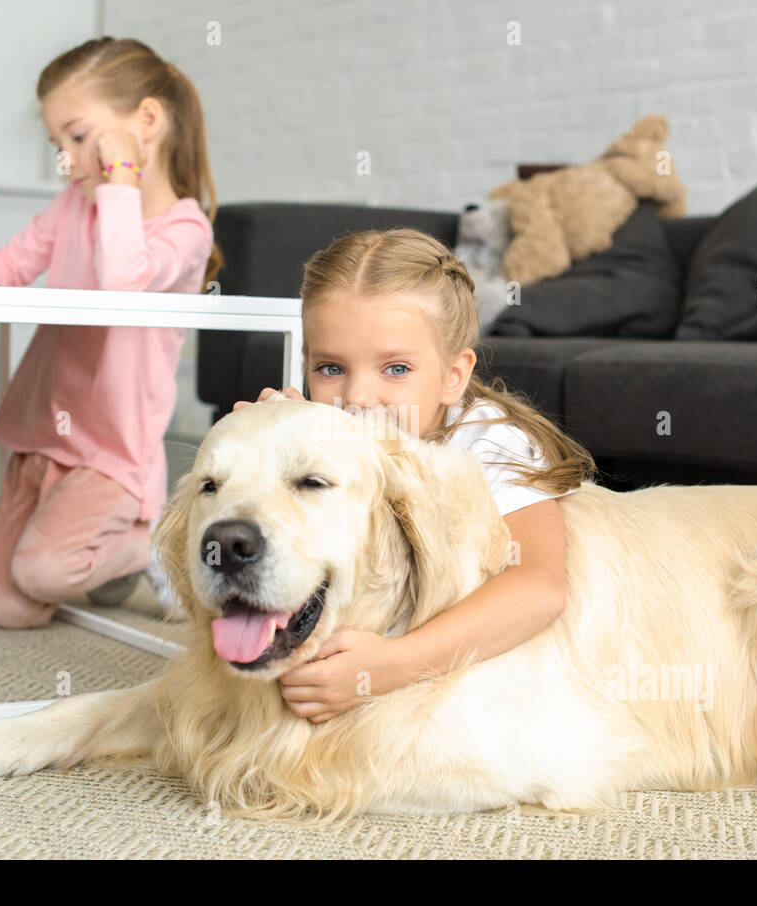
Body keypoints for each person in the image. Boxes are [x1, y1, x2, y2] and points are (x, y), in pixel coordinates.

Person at [0, 37, 221, 627]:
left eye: (78, 137)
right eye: (58, 144)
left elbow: (122, 281)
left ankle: (158, 540)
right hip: (43, 429)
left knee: (40, 574)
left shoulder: (184, 229)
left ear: (145, 122)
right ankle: (110, 560)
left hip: (109, 448)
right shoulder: (71, 205)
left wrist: (120, 181)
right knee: (10, 607)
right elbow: (15, 260)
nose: (66, 160)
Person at [235, 228, 595, 722]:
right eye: (331, 368)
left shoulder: (486, 442)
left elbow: (540, 587)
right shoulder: (332, 437)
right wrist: (272, 443)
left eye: (396, 369)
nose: (358, 397)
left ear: (453, 377)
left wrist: (391, 665)